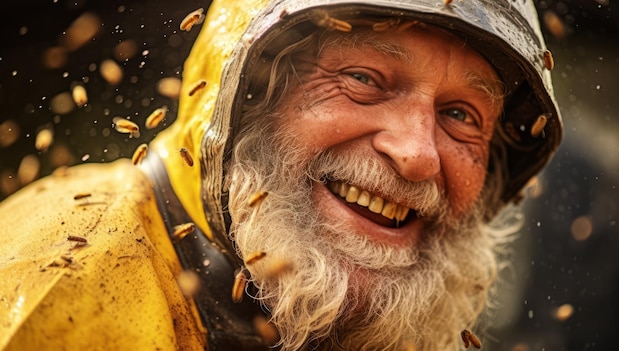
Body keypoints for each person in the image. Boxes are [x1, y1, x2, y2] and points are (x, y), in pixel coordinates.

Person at [0, 0, 563, 350]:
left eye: (461, 116)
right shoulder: (64, 283)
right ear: (244, 95)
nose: (417, 154)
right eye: (365, 78)